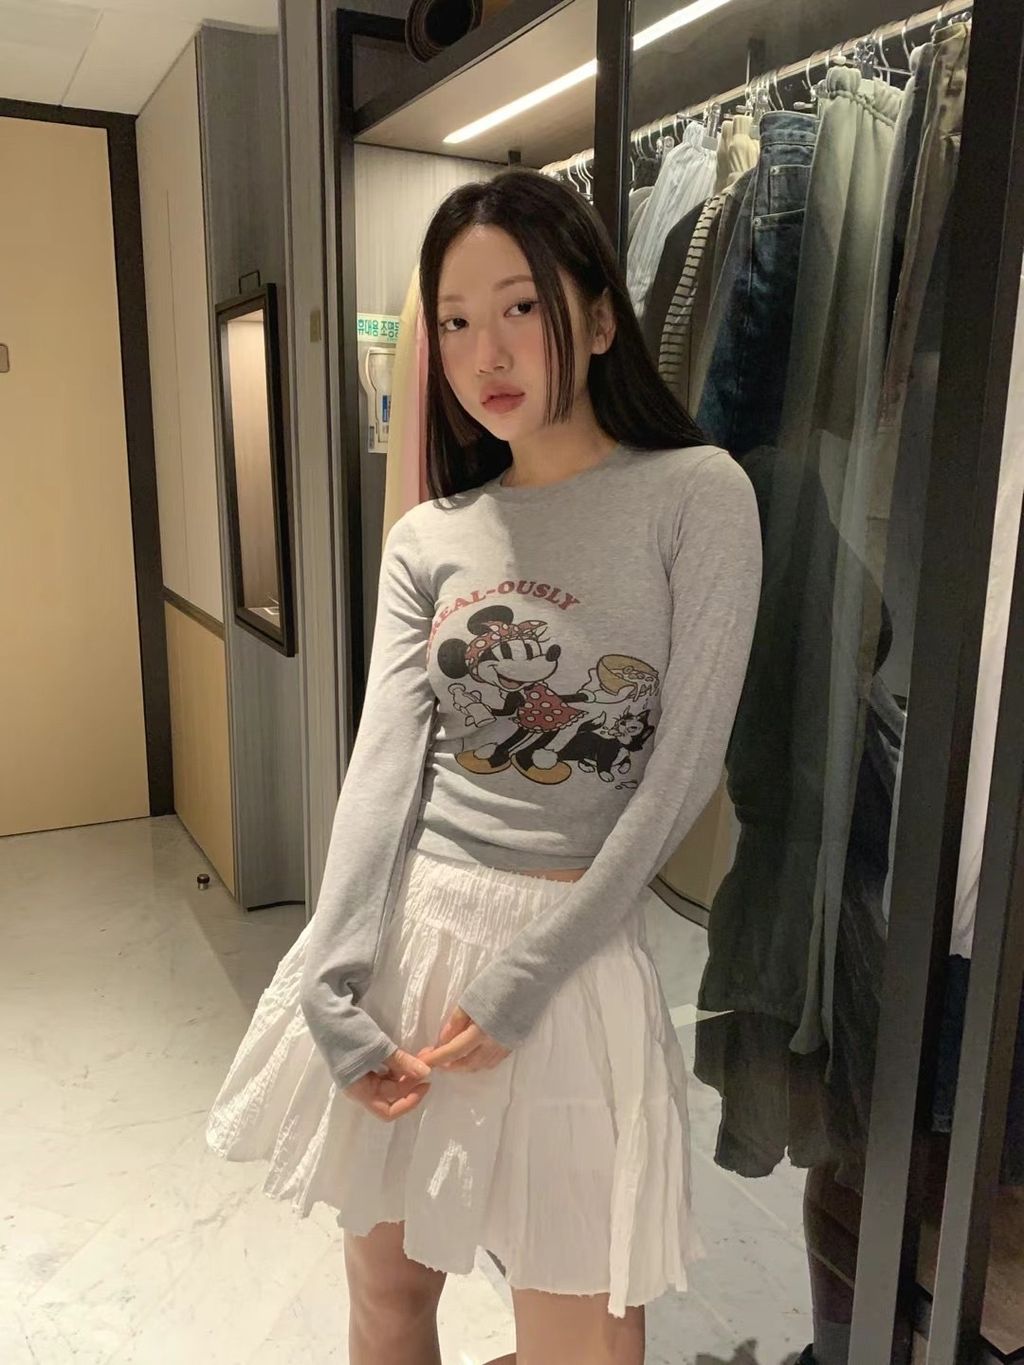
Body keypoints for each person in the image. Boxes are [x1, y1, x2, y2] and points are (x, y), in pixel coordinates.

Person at [205, 167, 762, 1365]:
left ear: (599, 319)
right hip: (411, 935)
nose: (484, 352)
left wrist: (527, 978)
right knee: (387, 1302)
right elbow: (384, 772)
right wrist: (333, 976)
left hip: (568, 962)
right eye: (454, 322)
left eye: (519, 306)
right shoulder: (431, 536)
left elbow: (682, 771)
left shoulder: (695, 496)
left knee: (581, 1335)